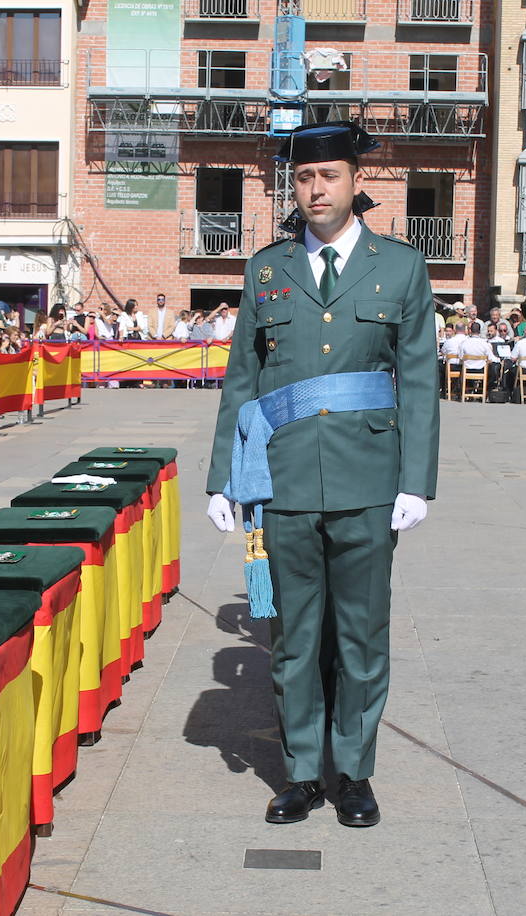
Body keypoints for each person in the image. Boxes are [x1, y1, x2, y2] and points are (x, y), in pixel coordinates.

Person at [206, 122, 439, 829]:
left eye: (329, 175)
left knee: (363, 635)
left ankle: (355, 772)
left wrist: (416, 480)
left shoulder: (399, 267)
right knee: (295, 637)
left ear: (354, 182)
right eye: (304, 178)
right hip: (284, 483)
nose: (316, 189)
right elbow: (242, 380)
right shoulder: (266, 270)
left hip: (369, 480)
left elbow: (419, 380)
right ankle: (303, 772)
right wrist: (224, 478)